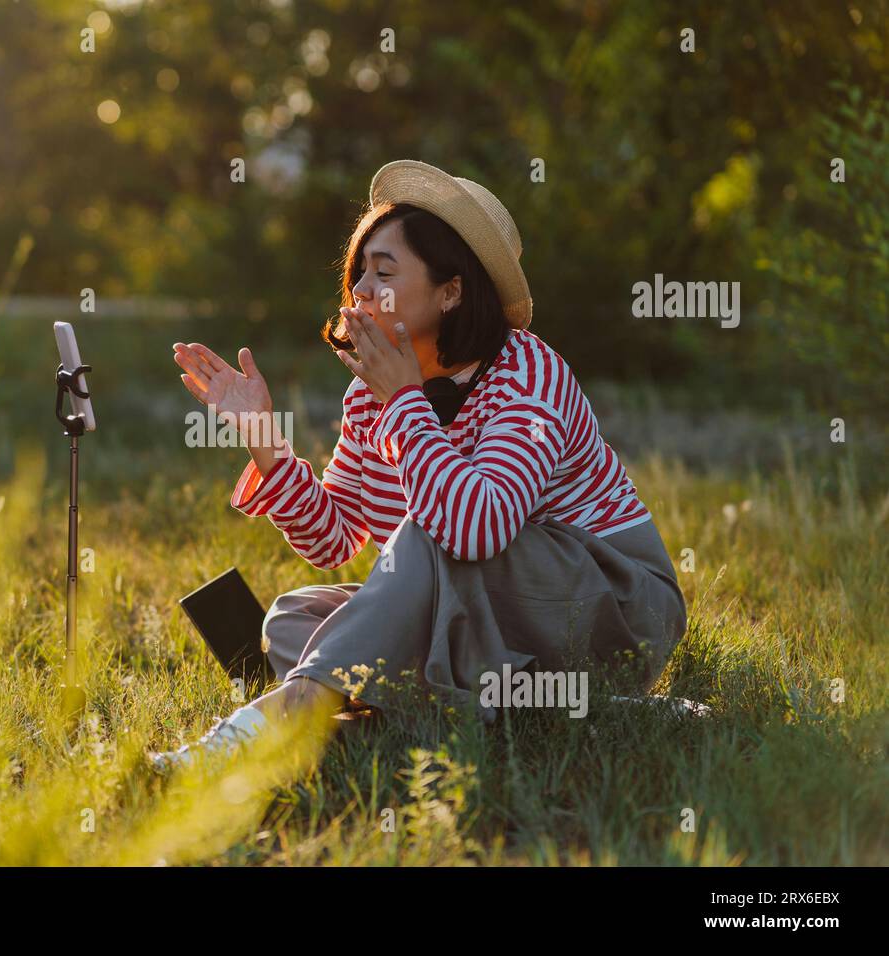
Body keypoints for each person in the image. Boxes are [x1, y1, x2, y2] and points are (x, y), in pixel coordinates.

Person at [149, 159, 691, 774]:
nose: (361, 292)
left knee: (429, 536)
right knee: (296, 616)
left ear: (451, 291)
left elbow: (477, 529)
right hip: (496, 620)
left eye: (385, 273)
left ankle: (291, 713)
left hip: (615, 606)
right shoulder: (370, 393)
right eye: (359, 274)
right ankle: (481, 720)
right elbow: (333, 539)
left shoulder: (527, 375)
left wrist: (405, 403)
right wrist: (262, 435)